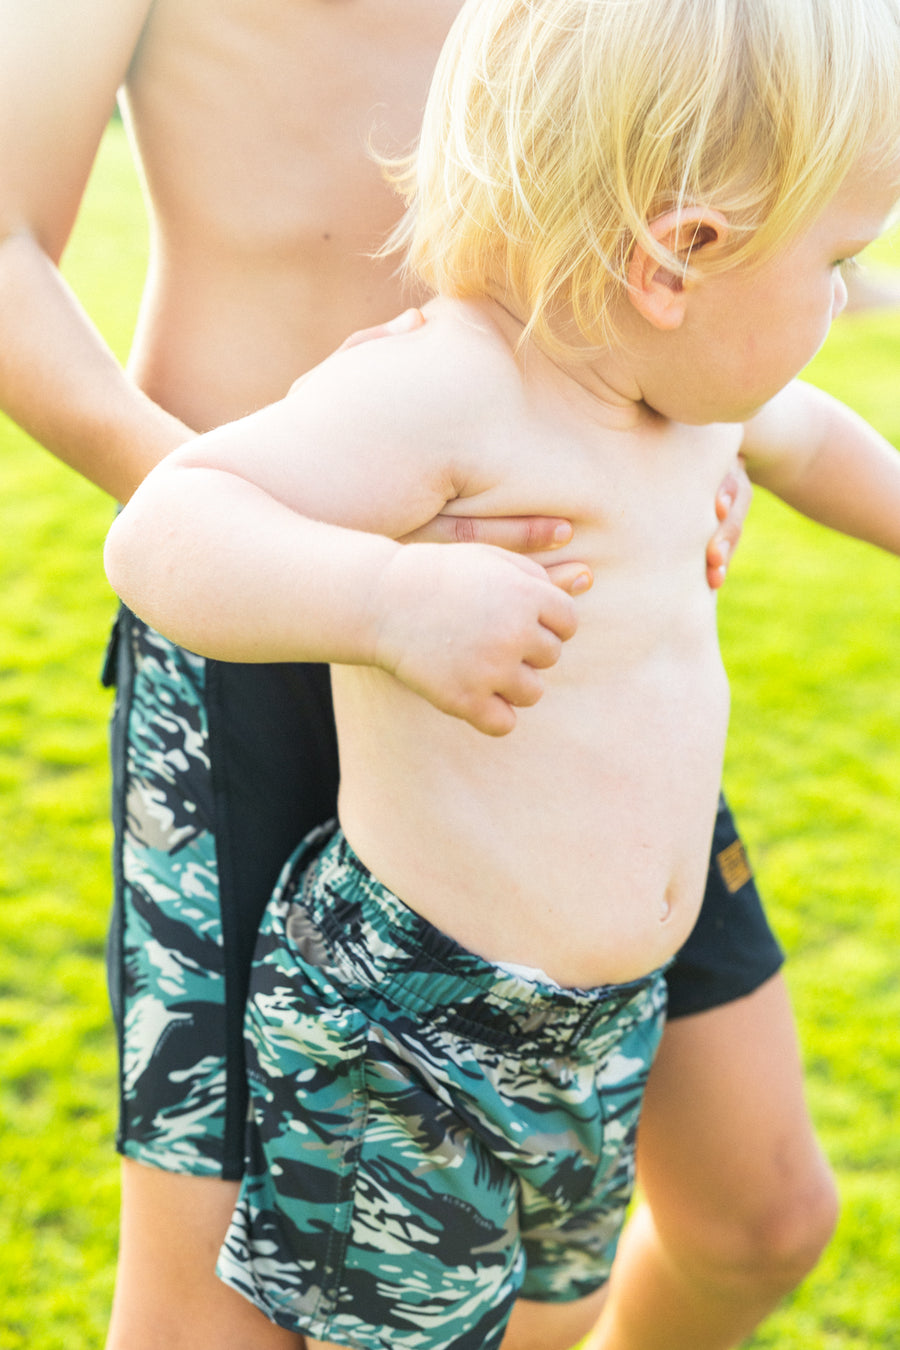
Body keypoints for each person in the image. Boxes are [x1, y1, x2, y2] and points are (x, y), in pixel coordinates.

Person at [0, 4, 833, 1350]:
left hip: (553, 621)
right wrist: (334, 564)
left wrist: (664, 438)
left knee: (758, 1214)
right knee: (201, 1320)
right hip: (255, 621)